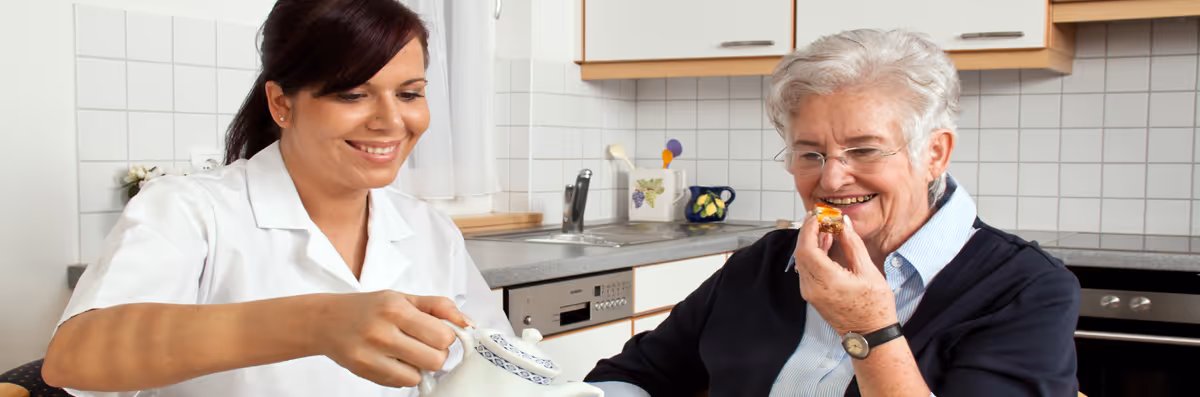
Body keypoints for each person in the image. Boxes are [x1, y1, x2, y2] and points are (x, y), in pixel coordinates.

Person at [41, 0, 512, 396]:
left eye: (410, 94)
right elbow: (75, 357)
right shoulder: (191, 210)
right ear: (282, 103)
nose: (391, 121)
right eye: (352, 95)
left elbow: (500, 367)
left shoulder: (430, 230)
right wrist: (319, 321)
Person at [585, 29, 1081, 397]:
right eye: (810, 154)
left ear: (935, 153)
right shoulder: (763, 264)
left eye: (864, 150)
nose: (830, 180)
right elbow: (632, 375)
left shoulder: (1026, 288)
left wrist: (868, 327)